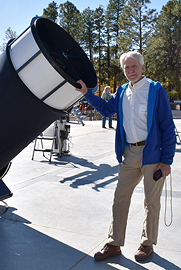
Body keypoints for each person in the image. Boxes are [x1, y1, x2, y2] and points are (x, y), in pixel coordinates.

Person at [75, 51, 176, 261]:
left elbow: (167, 126)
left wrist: (166, 160)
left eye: (134, 66)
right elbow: (105, 110)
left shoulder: (155, 90)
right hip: (129, 153)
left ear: (142, 68)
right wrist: (87, 93)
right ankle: (114, 243)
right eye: (126, 68)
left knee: (151, 202)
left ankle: (147, 244)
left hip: (153, 155)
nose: (130, 70)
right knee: (120, 198)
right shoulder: (121, 91)